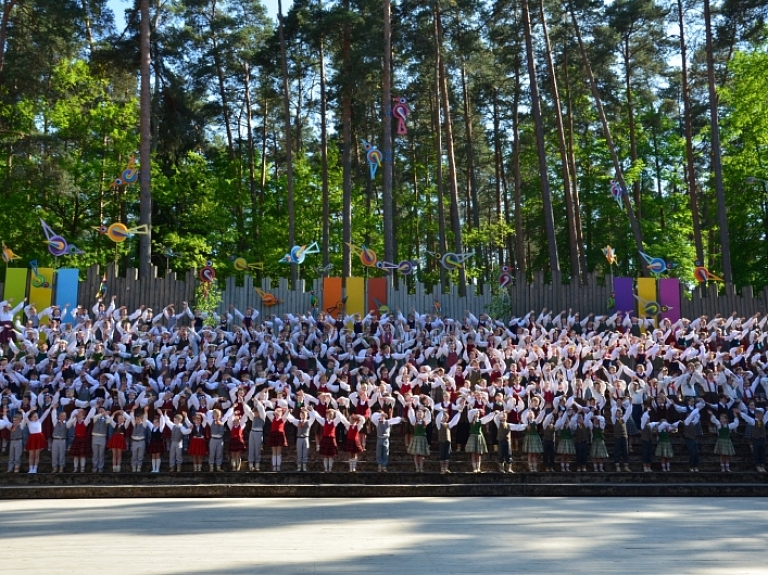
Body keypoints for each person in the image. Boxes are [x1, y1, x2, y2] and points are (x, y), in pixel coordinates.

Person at [22, 405, 53, 474]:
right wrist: (31, 410)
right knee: (31, 455)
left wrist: (50, 407)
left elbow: (45, 414)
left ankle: (35, 468)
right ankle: (31, 468)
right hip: (32, 438)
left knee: (36, 455)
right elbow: (25, 416)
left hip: (38, 438)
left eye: (37, 416)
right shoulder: (29, 422)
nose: (36, 418)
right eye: (34, 417)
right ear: (31, 418)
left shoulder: (39, 421)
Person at [286, 407, 314, 472]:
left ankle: (304, 466)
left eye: (304, 415)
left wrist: (310, 410)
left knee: (305, 452)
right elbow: (291, 419)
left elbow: (313, 417)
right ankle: (299, 466)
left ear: (306, 416)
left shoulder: (308, 422)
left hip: (306, 438)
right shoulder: (298, 422)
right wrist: (288, 412)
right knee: (299, 452)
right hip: (299, 438)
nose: (302, 416)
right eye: (301, 415)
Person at [739, 407, 767, 472]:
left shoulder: (763, 420)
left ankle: (762, 464)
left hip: (762, 439)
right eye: (758, 414)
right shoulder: (753, 421)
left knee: (763, 452)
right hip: (756, 439)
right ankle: (758, 465)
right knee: (756, 452)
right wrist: (740, 412)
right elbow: (746, 418)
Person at [406, 406, 432, 473]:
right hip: (416, 438)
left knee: (421, 455)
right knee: (416, 454)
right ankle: (417, 467)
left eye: (421, 414)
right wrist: (411, 409)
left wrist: (427, 410)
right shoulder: (414, 422)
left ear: (423, 415)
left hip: (423, 438)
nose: (419, 415)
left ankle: (421, 467)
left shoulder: (424, 422)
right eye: (418, 414)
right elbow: (411, 416)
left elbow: (429, 417)